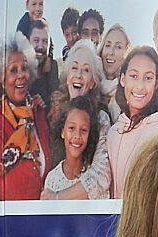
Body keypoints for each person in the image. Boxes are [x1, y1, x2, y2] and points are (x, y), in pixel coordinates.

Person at [0, 34, 50, 202]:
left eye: (24, 68)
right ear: (2, 79)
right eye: (13, 70)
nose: (20, 75)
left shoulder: (38, 114)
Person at [106, 46, 158, 198]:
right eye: (134, 76)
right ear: (122, 79)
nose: (140, 86)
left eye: (148, 78)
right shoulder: (114, 132)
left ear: (156, 83)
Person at [43, 39, 111, 201]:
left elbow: (102, 176)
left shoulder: (101, 117)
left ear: (93, 81)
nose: (79, 75)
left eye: (86, 70)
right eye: (74, 68)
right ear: (67, 76)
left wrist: (58, 198)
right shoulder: (55, 113)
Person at [45, 96, 105, 199]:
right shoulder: (52, 179)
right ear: (63, 132)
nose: (77, 135)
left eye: (84, 130)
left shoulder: (94, 177)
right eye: (71, 128)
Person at [98, 24, 129, 121]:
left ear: (125, 54)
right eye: (107, 45)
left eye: (118, 47)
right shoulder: (89, 83)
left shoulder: (129, 91)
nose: (111, 52)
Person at [27, 19, 59, 108]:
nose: (40, 46)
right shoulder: (21, 67)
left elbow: (54, 97)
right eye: (36, 41)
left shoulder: (52, 66)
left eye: (45, 42)